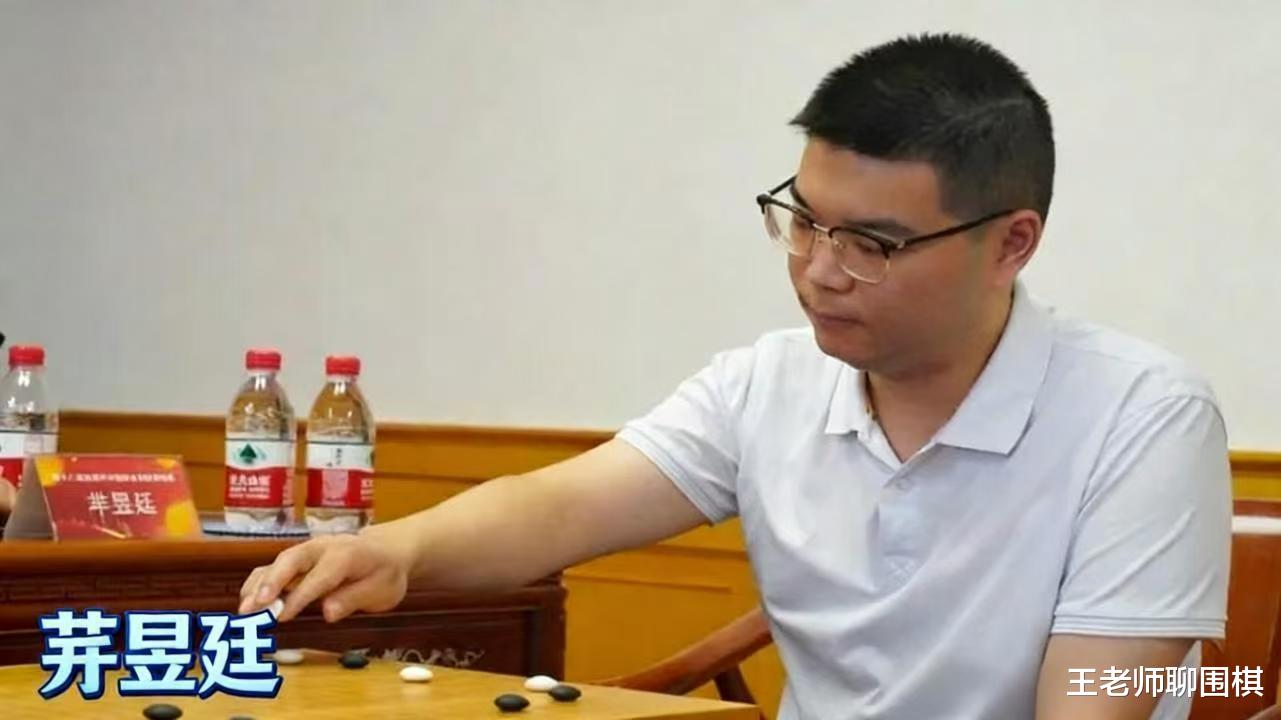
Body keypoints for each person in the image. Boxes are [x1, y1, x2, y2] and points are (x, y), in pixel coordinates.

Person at [240, 33, 1230, 719]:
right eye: (804, 220)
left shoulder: (1140, 415)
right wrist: (397, 549)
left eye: (874, 244)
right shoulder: (768, 383)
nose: (819, 270)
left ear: (1011, 243)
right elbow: (558, 508)